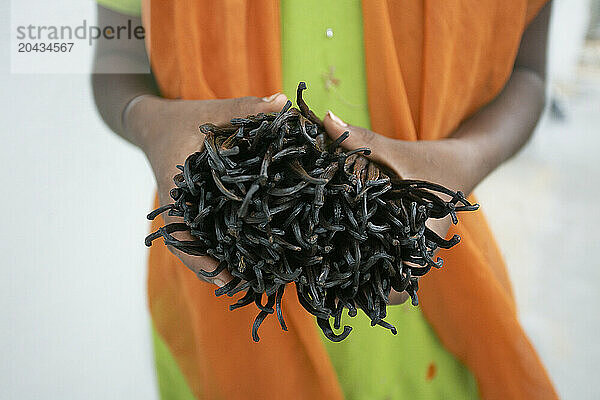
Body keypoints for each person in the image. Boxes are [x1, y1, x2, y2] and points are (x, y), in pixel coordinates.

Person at [92, 1, 558, 399]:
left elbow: (530, 75)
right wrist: (148, 119)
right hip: (219, 301)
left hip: (425, 279)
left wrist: (457, 164)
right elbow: (117, 52)